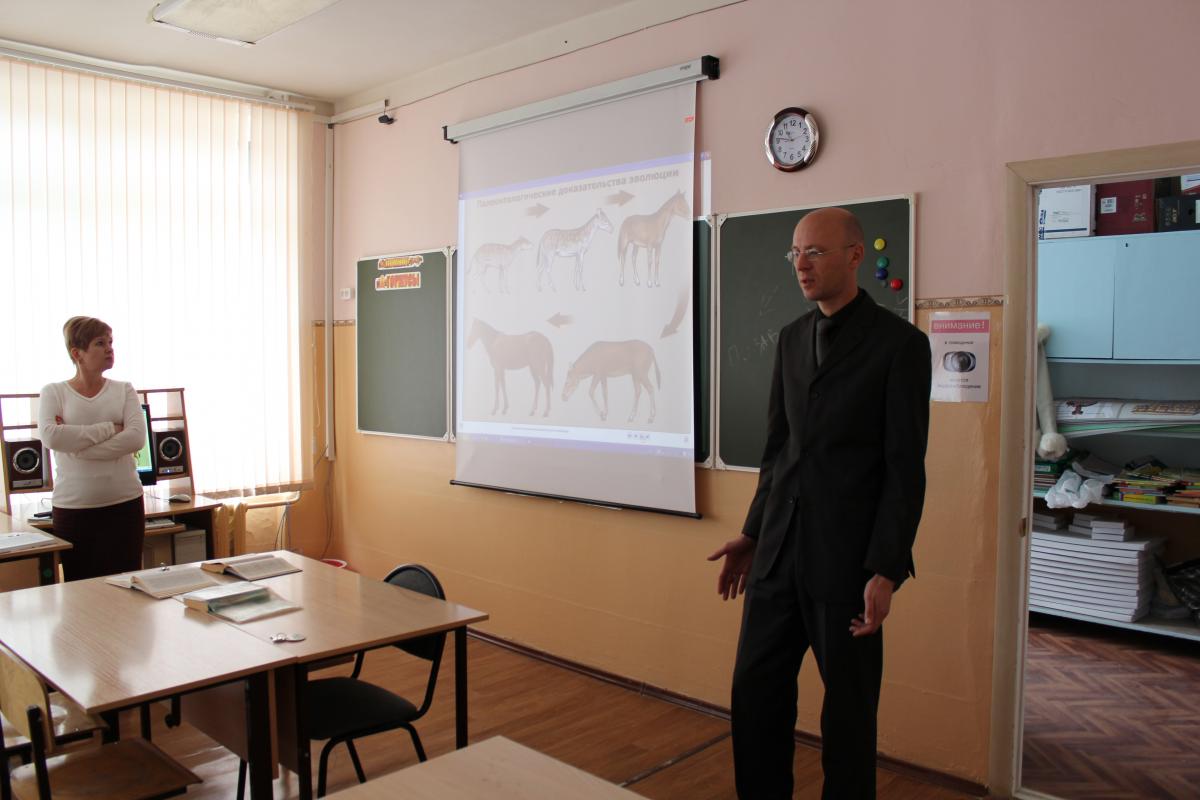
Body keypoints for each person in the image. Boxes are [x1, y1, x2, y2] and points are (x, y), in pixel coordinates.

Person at [708, 207, 931, 799]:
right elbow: (778, 451)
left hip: (848, 567)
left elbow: (904, 469)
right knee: (754, 697)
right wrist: (753, 535)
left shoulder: (900, 346)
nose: (801, 265)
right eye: (795, 253)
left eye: (816, 252)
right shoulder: (790, 340)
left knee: (849, 719)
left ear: (855, 256)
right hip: (778, 558)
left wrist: (887, 568)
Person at [38, 316, 147, 580]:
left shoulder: (124, 390)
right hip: (74, 511)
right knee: (82, 596)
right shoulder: (54, 392)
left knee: (127, 595)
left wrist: (79, 448)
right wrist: (110, 428)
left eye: (111, 342)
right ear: (77, 353)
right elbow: (52, 437)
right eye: (100, 343)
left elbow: (135, 439)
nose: (110, 349)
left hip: (125, 505)